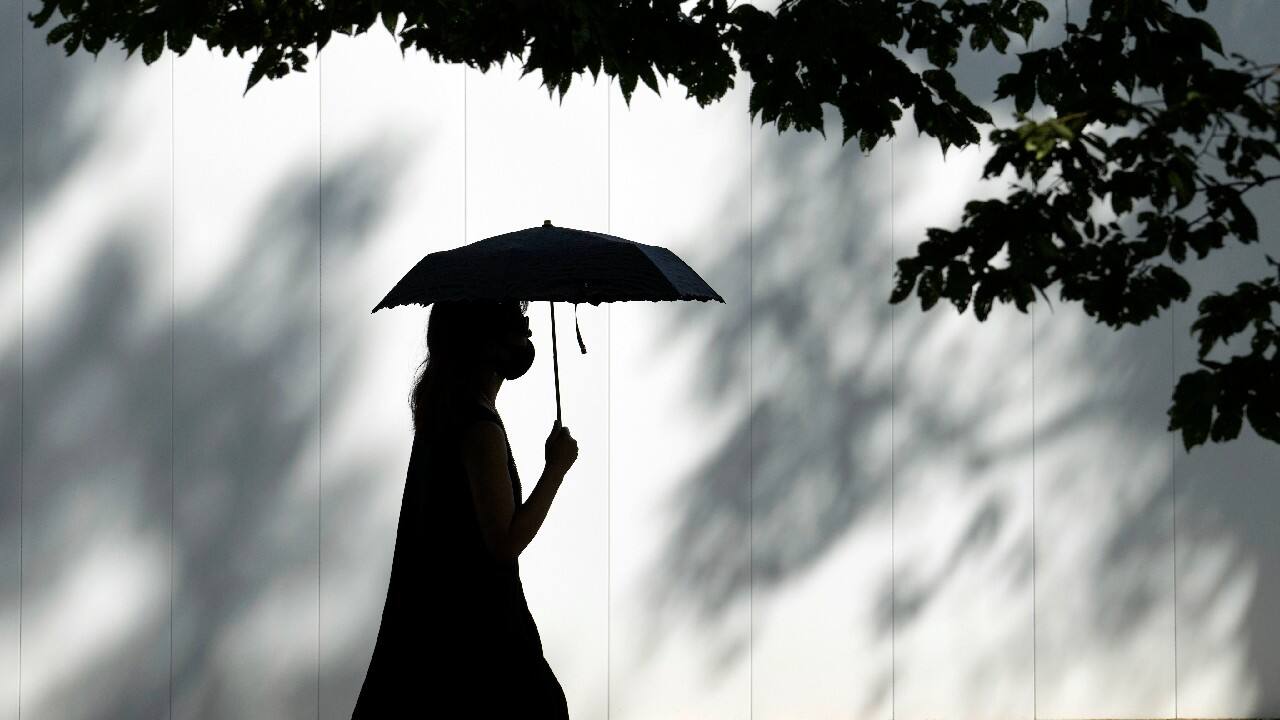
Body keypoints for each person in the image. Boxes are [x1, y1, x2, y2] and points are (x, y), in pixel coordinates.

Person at [352, 299, 577, 718]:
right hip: (485, 638)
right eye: (514, 319)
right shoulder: (478, 429)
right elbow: (504, 541)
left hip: (442, 637)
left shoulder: (446, 416)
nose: (527, 329)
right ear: (485, 342)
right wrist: (556, 470)